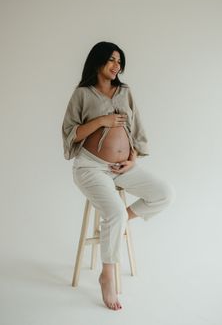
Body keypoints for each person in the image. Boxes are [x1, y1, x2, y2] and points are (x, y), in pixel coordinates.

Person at [62, 41, 175, 311]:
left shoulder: (125, 92)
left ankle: (118, 220)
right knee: (115, 213)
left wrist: (132, 158)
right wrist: (102, 121)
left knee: (164, 194)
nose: (117, 66)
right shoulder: (82, 94)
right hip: (90, 167)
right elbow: (70, 133)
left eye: (119, 61)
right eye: (112, 60)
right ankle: (107, 275)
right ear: (98, 61)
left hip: (121, 167)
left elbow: (136, 128)